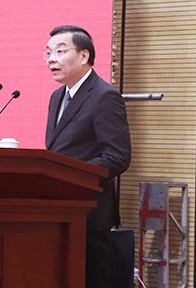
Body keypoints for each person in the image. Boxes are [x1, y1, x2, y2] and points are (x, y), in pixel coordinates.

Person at [44, 25, 131, 288]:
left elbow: (117, 156)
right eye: (48, 53)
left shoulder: (105, 96)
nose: (51, 59)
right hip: (59, 213)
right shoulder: (57, 97)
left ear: (84, 56)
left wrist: (71, 176)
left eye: (60, 52)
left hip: (89, 217)